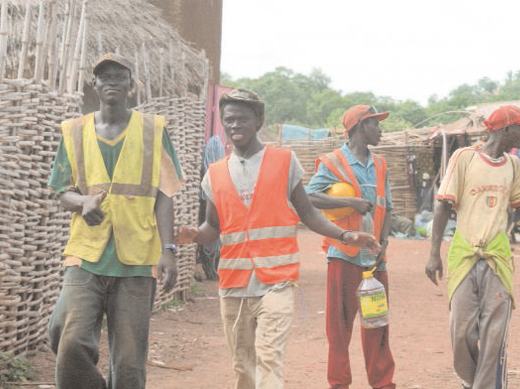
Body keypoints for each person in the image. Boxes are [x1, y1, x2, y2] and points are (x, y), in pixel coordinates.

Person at [175, 89, 379, 389]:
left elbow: (308, 213)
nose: (234, 126)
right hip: (233, 284)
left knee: (269, 355)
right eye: (228, 120)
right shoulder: (215, 174)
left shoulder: (284, 161)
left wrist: (346, 234)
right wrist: (194, 235)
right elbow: (212, 228)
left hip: (277, 282)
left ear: (258, 120)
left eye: (242, 119)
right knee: (242, 364)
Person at [47, 53, 185, 389]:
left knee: (128, 363)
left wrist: (168, 249)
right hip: (86, 256)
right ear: (93, 85)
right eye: (104, 76)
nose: (111, 81)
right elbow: (62, 192)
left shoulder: (154, 130)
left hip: (137, 259)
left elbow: (165, 193)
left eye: (119, 76)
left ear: (130, 85)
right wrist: (82, 201)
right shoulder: (74, 132)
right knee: (69, 340)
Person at [425, 105, 520, 389]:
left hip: (498, 258)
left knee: (494, 336)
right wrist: (433, 253)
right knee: (461, 333)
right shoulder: (464, 157)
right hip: (464, 255)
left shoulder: (514, 165)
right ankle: (473, 382)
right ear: (506, 129)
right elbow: (444, 204)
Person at [306, 105, 396, 389]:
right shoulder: (333, 163)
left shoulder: (380, 165)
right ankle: (339, 384)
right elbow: (309, 197)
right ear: (359, 127)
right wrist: (350, 202)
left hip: (375, 260)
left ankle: (383, 384)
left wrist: (384, 242)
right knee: (339, 328)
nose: (380, 129)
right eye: (375, 124)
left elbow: (388, 208)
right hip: (343, 256)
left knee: (377, 324)